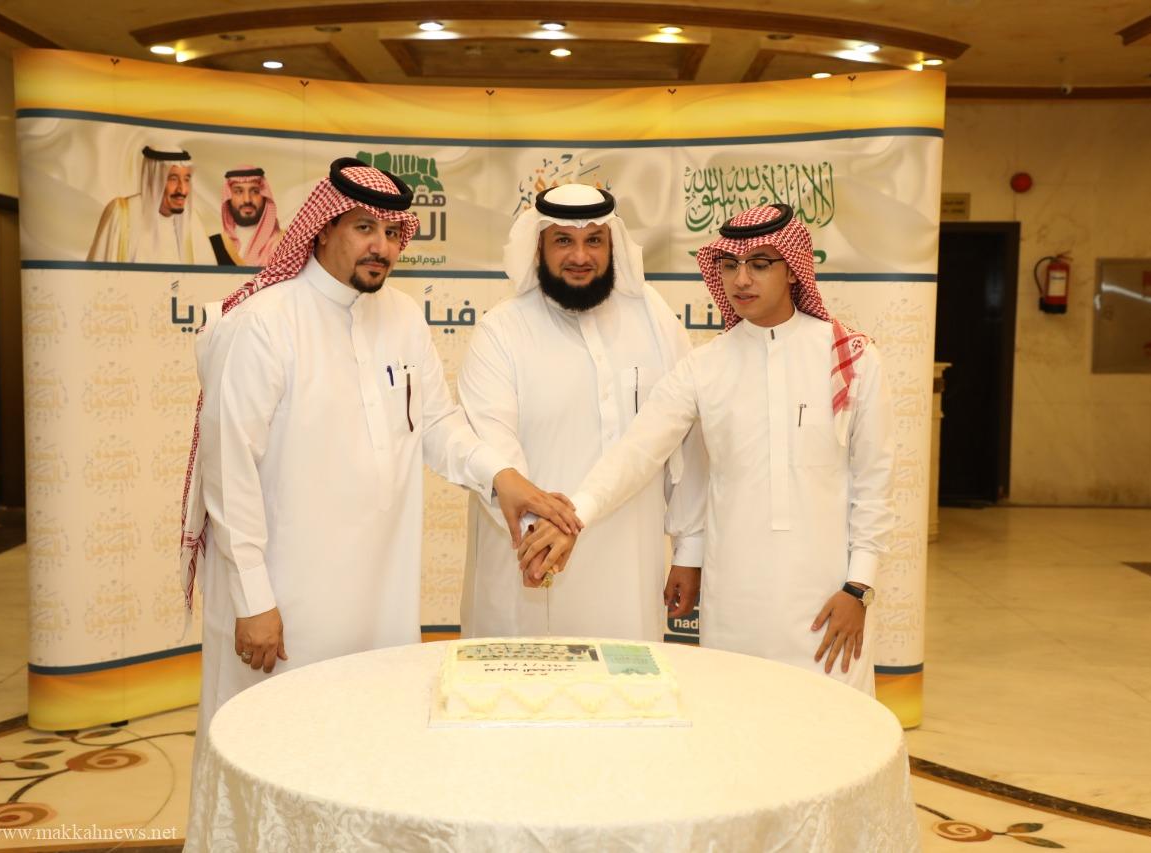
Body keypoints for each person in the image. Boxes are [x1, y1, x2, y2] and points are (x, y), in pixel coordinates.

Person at [178, 158, 580, 734]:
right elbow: (228, 468)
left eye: (393, 232)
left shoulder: (402, 317)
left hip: (380, 589)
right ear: (323, 229)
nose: (382, 247)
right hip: (286, 593)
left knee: (368, 734)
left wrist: (502, 477)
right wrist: (252, 598)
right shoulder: (264, 323)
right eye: (364, 228)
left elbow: (436, 423)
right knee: (278, 737)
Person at [518, 203, 894, 695]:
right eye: (730, 265)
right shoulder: (706, 367)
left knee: (835, 725)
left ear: (793, 269)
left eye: (760, 264)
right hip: (734, 601)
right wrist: (576, 516)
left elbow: (873, 483)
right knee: (737, 721)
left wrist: (858, 588)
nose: (742, 279)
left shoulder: (852, 358)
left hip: (829, 599)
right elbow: (639, 450)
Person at [456, 185, 706, 640]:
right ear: (539, 246)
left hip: (629, 566)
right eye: (563, 241)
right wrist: (540, 540)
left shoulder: (654, 318)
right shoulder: (502, 330)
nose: (580, 256)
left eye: (594, 240)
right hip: (529, 566)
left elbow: (683, 440)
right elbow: (495, 449)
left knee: (626, 679)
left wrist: (689, 550)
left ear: (613, 244)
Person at [87, 145, 212, 263]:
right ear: (155, 180)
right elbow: (98, 275)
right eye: (173, 179)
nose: (182, 189)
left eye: (186, 179)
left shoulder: (192, 221)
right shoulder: (122, 214)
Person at [209, 165, 284, 266]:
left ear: (265, 197)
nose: (247, 200)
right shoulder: (214, 244)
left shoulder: (282, 242)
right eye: (238, 192)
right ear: (229, 198)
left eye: (255, 191)